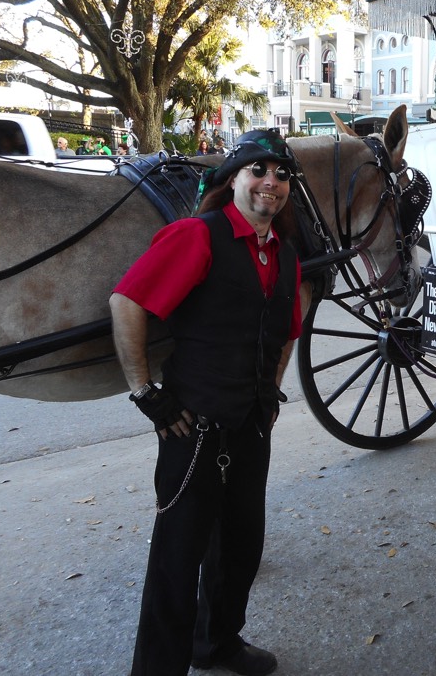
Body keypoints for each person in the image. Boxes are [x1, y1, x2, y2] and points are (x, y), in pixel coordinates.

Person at [110, 128, 303, 676]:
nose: (271, 183)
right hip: (191, 430)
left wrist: (270, 392)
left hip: (250, 427)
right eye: (258, 171)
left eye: (281, 174)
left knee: (241, 548)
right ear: (233, 179)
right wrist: (146, 392)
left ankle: (216, 643)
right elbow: (127, 301)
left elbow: (286, 331)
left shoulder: (284, 255)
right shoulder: (198, 235)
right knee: (177, 561)